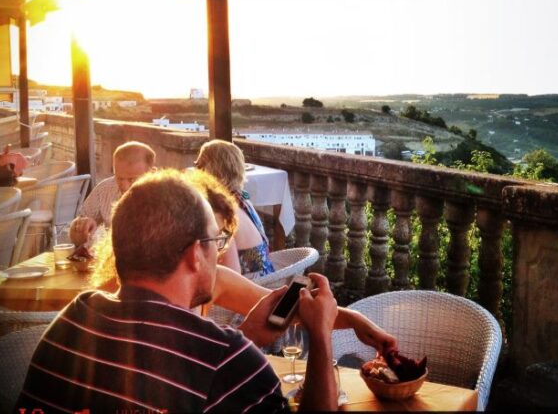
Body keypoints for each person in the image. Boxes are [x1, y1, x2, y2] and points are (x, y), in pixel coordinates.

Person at [18, 169, 340, 413]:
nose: (218, 253)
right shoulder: (228, 360)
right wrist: (321, 337)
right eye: (216, 241)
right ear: (194, 254)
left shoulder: (73, 320)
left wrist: (247, 336)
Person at [88, 168, 398, 354]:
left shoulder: (214, 280)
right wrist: (244, 342)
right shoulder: (113, 306)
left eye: (221, 238)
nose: (219, 251)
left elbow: (286, 308)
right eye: (213, 239)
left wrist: (355, 320)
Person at [195, 139, 273, 276]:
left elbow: (230, 273)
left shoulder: (221, 213)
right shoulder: (242, 200)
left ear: (208, 170)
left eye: (199, 165)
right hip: (267, 276)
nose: (195, 170)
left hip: (251, 284)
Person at [68, 141, 155, 246]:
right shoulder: (104, 190)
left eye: (132, 179)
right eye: (119, 178)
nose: (125, 187)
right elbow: (75, 232)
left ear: (151, 173)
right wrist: (81, 228)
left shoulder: (164, 199)